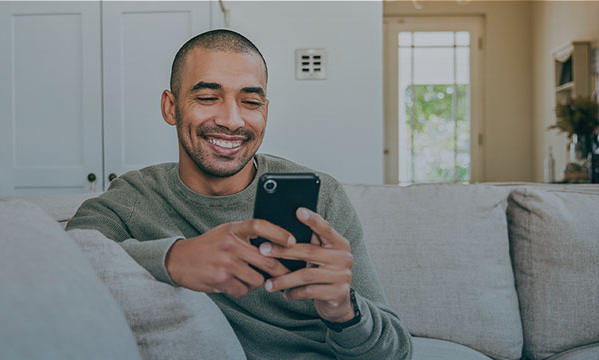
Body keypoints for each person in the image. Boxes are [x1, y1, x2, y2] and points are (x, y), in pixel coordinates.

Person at [66, 29, 412, 359]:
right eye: (206, 98)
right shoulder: (134, 198)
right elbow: (59, 265)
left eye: (250, 101)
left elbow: (396, 352)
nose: (233, 121)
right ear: (171, 107)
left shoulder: (323, 199)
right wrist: (174, 259)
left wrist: (345, 310)